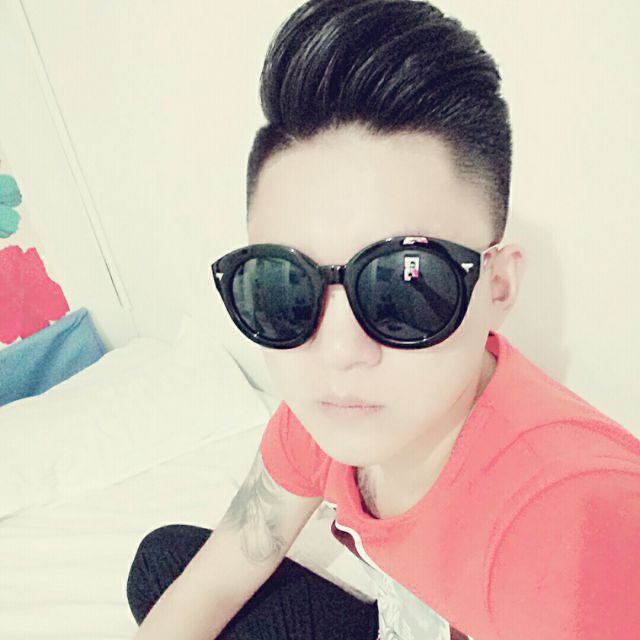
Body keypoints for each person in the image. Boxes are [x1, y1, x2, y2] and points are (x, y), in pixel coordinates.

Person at [127, 1, 640, 638]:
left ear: (499, 286)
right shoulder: (323, 414)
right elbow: (218, 579)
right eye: (284, 288)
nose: (338, 350)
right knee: (163, 564)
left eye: (402, 285)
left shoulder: (575, 529)